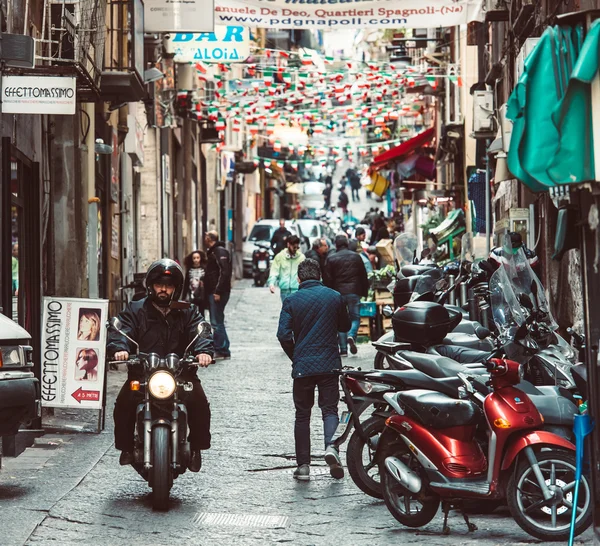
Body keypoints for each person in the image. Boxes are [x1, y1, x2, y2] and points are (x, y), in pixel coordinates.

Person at [107, 259, 213, 472]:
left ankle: (196, 448)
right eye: (159, 284)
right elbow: (122, 329)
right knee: (123, 405)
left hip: (181, 372)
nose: (163, 289)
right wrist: (120, 347)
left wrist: (203, 351)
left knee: (200, 403)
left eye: (169, 285)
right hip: (143, 373)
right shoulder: (137, 309)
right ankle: (126, 447)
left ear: (176, 288)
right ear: (151, 286)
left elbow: (200, 329)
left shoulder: (187, 311)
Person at [277, 259, 351, 481]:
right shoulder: (334, 297)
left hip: (303, 367)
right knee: (329, 410)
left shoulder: (291, 300)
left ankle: (303, 467)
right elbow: (345, 326)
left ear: (298, 278)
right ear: (319, 276)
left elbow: (283, 334)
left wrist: (295, 355)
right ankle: (332, 449)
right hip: (329, 364)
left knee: (303, 415)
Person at [325, 235, 369, 356]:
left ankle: (343, 350)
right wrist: (364, 292)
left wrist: (328, 294)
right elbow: (363, 276)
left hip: (338, 293)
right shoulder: (356, 257)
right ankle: (351, 335)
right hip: (354, 291)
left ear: (336, 245)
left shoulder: (331, 258)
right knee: (355, 317)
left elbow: (328, 279)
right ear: (347, 243)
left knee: (340, 320)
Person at [204, 231, 232, 360]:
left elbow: (224, 272)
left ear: (210, 238)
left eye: (206, 236)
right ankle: (224, 348)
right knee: (218, 320)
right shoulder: (214, 251)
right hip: (215, 290)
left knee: (216, 322)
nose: (204, 238)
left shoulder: (219, 251)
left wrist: (218, 291)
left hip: (217, 292)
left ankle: (221, 349)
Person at [268, 235, 305, 302]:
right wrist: (271, 284)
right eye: (294, 247)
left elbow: (305, 273)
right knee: (286, 310)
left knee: (296, 311)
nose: (296, 249)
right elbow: (274, 271)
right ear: (288, 244)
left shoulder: (301, 257)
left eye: (297, 247)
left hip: (297, 290)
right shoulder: (280, 257)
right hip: (284, 291)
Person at [183, 250, 207, 316]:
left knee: (202, 312)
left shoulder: (204, 269)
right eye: (194, 258)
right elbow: (186, 283)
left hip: (202, 294)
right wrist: (184, 296)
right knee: (192, 312)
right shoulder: (189, 269)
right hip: (192, 294)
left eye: (197, 258)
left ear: (200, 258)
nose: (196, 260)